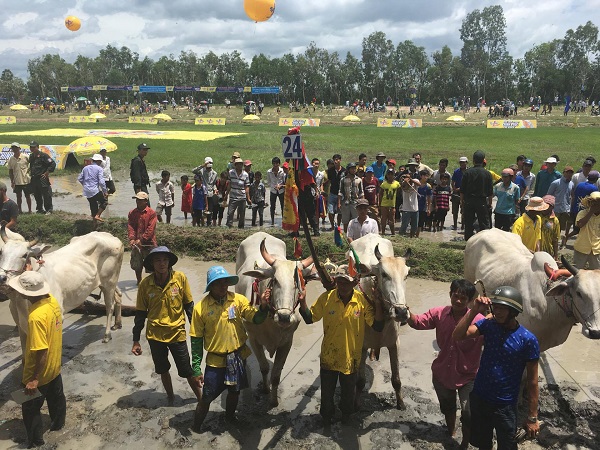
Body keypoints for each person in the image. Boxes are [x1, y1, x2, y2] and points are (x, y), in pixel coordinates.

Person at [453, 286, 541, 450]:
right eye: (496, 307)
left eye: (503, 309)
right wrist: (473, 311)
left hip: (505, 406)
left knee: (507, 446)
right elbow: (457, 336)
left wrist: (532, 417)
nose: (498, 312)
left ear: (513, 311)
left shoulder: (528, 340)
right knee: (482, 444)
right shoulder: (488, 325)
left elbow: (533, 382)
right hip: (480, 398)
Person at [297, 265, 384, 428]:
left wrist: (378, 303)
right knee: (327, 395)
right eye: (340, 282)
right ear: (336, 282)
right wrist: (302, 302)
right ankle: (326, 420)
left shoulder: (361, 300)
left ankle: (346, 418)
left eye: (347, 282)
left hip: (351, 359)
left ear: (354, 283)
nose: (343, 286)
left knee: (347, 396)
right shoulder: (327, 298)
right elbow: (310, 319)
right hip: (329, 357)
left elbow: (378, 326)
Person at [190, 266, 270, 431]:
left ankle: (230, 418)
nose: (223, 286)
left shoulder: (238, 300)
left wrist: (263, 307)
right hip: (215, 361)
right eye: (218, 283)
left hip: (237, 357)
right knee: (207, 396)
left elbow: (256, 319)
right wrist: (196, 368)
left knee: (234, 392)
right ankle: (196, 426)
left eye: (225, 281)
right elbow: (196, 341)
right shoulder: (200, 308)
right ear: (210, 286)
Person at [408, 279, 484, 449]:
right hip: (443, 372)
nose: (458, 301)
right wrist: (405, 312)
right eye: (455, 296)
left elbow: (495, 338)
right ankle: (451, 432)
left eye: (463, 298)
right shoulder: (439, 313)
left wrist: (494, 313)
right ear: (450, 295)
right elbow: (418, 322)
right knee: (448, 408)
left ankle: (465, 442)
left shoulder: (479, 320)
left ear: (470, 301)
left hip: (468, 374)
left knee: (469, 412)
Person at [131, 247, 202, 404]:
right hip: (155, 335)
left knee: (187, 370)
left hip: (177, 333)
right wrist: (136, 340)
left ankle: (200, 398)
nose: (162, 264)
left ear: (169, 262)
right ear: (151, 264)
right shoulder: (145, 284)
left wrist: (197, 332)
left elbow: (189, 307)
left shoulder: (180, 278)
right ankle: (170, 397)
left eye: (165, 260)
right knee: (163, 370)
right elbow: (140, 314)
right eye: (157, 260)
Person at [12, 271, 66, 448]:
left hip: (38, 372)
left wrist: (34, 378)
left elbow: (41, 349)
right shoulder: (52, 301)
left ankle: (35, 442)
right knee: (56, 397)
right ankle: (58, 424)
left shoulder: (35, 317)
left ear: (26, 293)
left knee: (29, 408)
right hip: (54, 366)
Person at [461, 151, 493, 241]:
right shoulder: (487, 174)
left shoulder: (467, 173)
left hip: (469, 201)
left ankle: (468, 242)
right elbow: (490, 192)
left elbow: (462, 190)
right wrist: (490, 204)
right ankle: (484, 242)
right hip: (481, 201)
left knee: (468, 223)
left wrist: (462, 203)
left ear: (473, 160)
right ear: (483, 160)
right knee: (484, 223)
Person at [128, 192, 158, 284]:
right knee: (137, 264)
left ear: (146, 201)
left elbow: (150, 229)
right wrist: (132, 238)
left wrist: (142, 239)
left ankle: (154, 282)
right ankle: (139, 282)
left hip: (149, 243)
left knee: (153, 264)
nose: (138, 202)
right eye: (137, 200)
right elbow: (131, 226)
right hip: (136, 243)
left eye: (140, 200)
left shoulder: (151, 213)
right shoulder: (132, 213)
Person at [77, 154, 108, 228]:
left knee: (93, 205)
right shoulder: (99, 169)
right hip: (94, 190)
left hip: (86, 191)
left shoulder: (85, 168)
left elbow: (80, 178)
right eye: (100, 161)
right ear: (98, 161)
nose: (100, 163)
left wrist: (85, 185)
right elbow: (101, 181)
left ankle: (94, 224)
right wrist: (105, 191)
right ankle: (97, 215)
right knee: (104, 201)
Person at [572, 192, 600, 269]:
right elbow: (580, 225)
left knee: (596, 273)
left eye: (598, 203)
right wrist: (591, 212)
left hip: (596, 250)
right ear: (590, 203)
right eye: (594, 203)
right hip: (582, 247)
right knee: (576, 272)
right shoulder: (582, 213)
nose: (596, 206)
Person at [28, 141, 56, 215]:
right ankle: (40, 209)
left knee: (46, 194)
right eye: (31, 147)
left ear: (37, 147)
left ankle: (49, 210)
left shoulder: (44, 156)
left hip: (42, 178)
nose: (32, 148)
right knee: (37, 195)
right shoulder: (31, 156)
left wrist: (47, 172)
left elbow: (52, 163)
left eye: (34, 147)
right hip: (34, 178)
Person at [547, 165, 573, 240]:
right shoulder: (555, 183)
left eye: (571, 173)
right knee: (551, 226)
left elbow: (570, 196)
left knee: (561, 227)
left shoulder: (571, 184)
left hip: (565, 209)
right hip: (555, 209)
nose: (569, 174)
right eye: (567, 172)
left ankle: (556, 241)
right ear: (564, 173)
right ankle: (550, 240)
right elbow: (549, 195)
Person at [225, 158, 251, 228]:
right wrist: (226, 195)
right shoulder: (231, 172)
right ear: (235, 165)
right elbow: (229, 184)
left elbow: (247, 187)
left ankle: (241, 228)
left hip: (242, 197)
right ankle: (229, 226)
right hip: (233, 196)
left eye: (241, 164)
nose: (240, 166)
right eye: (238, 164)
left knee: (242, 214)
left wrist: (248, 198)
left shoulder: (245, 174)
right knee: (230, 213)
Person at [338, 162, 364, 233]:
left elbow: (361, 192)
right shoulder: (343, 180)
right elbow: (340, 191)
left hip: (355, 203)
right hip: (345, 203)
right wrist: (339, 203)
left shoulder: (359, 180)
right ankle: (347, 235)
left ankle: (356, 234)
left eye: (354, 169)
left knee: (356, 220)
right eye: (352, 169)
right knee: (345, 221)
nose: (354, 170)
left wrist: (362, 202)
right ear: (348, 170)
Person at [7, 142, 32, 213]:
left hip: (26, 180)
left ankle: (30, 210)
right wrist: (12, 181)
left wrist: (29, 173)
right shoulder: (11, 159)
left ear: (19, 148)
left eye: (16, 147)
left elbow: (32, 164)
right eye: (13, 148)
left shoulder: (25, 156)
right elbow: (10, 171)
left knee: (28, 196)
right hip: (17, 181)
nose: (14, 149)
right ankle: (19, 210)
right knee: (18, 196)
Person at [195, 157, 218, 226]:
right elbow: (194, 171)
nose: (208, 169)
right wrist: (202, 165)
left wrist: (215, 189)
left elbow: (214, 184)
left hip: (210, 194)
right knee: (200, 209)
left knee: (210, 210)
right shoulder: (201, 171)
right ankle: (200, 223)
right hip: (202, 193)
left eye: (209, 168)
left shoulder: (215, 173)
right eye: (207, 168)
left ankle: (208, 223)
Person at [399, 169, 422, 238]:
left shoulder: (415, 181)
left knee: (414, 226)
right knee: (404, 225)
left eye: (409, 174)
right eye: (406, 175)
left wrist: (411, 180)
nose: (408, 176)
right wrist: (405, 182)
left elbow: (419, 184)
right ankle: (401, 237)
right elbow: (403, 187)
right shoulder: (402, 182)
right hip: (406, 209)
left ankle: (412, 237)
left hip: (415, 208)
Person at [327, 154, 345, 230]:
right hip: (332, 193)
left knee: (340, 211)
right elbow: (329, 181)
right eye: (334, 160)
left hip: (341, 194)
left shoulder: (344, 171)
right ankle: (332, 225)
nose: (336, 161)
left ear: (340, 160)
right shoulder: (330, 170)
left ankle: (338, 226)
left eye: (337, 159)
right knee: (330, 211)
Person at [379, 169, 400, 235]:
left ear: (394, 175)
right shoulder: (383, 184)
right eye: (389, 174)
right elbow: (380, 194)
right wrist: (379, 204)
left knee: (392, 220)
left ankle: (393, 233)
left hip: (392, 205)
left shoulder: (397, 184)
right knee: (383, 219)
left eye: (392, 174)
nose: (390, 176)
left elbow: (399, 193)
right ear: (386, 175)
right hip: (384, 204)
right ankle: (383, 232)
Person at [540, 195, 560, 261]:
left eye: (548, 206)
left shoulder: (554, 220)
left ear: (552, 207)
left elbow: (555, 239)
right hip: (533, 250)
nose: (545, 208)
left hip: (548, 252)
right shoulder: (536, 216)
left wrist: (556, 255)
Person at [267, 157, 285, 226]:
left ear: (279, 164)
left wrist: (281, 186)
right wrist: (273, 186)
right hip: (273, 191)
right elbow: (269, 181)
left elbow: (284, 181)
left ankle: (283, 220)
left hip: (281, 190)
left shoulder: (282, 171)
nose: (275, 165)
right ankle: (272, 221)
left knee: (282, 206)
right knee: (272, 206)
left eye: (276, 164)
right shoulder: (269, 172)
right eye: (274, 164)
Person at [451, 157, 469, 230]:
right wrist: (454, 189)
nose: (462, 164)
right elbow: (452, 182)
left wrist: (460, 189)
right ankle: (455, 226)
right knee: (455, 211)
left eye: (463, 162)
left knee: (464, 211)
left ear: (466, 163)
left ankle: (462, 226)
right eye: (461, 162)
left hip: (465, 194)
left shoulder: (469, 172)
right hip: (456, 193)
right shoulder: (456, 171)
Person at [416, 170, 433, 237]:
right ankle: (412, 233)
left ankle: (417, 235)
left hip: (423, 206)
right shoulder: (416, 184)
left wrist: (429, 208)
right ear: (421, 176)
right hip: (415, 205)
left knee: (421, 222)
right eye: (424, 175)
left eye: (427, 176)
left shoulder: (428, 186)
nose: (426, 177)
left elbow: (429, 198)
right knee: (413, 221)